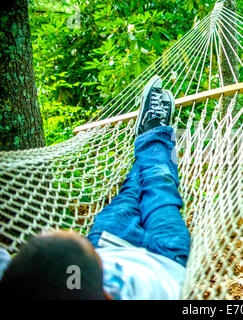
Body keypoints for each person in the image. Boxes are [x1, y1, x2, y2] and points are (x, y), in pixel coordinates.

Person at [0, 76, 191, 300]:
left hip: (111, 243)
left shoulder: (20, 288)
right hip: (166, 258)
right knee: (159, 184)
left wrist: (99, 253)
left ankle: (152, 135)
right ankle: (153, 131)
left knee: (131, 191)